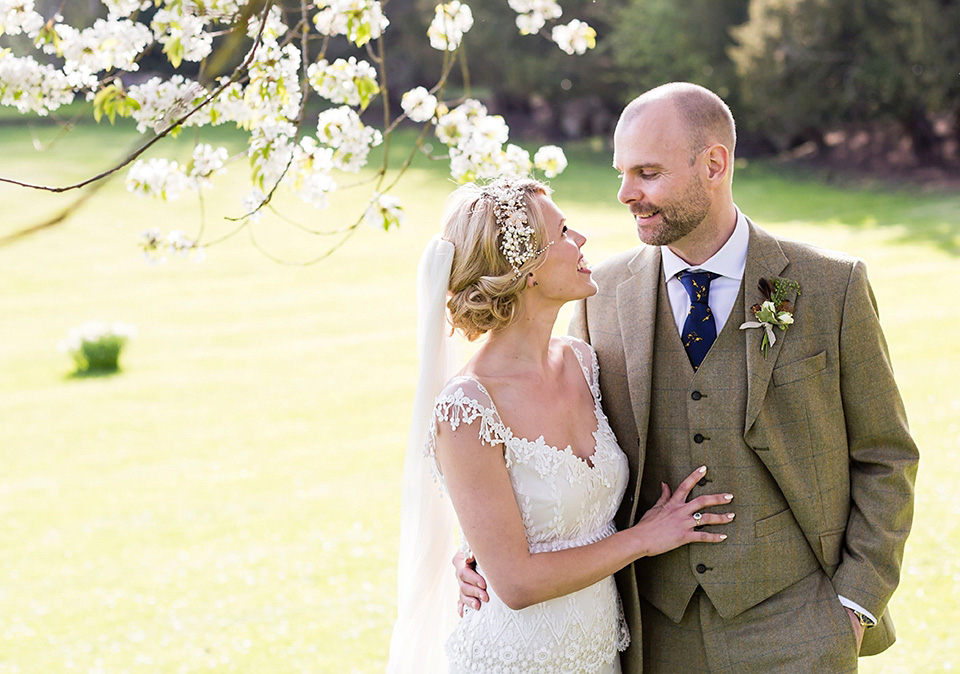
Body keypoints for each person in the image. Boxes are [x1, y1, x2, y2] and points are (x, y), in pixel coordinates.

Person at [456, 83, 919, 673]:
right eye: (622, 173)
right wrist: (480, 551)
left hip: (799, 629)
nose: (627, 194)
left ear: (714, 165)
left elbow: (886, 455)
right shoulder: (604, 296)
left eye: (647, 173)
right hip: (653, 634)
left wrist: (854, 605)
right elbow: (553, 450)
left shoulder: (832, 287)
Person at [387, 176, 735, 674]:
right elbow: (516, 582)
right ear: (525, 269)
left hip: (597, 653)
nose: (582, 240)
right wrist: (645, 537)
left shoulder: (583, 362)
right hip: (516, 657)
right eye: (565, 231)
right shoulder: (467, 408)